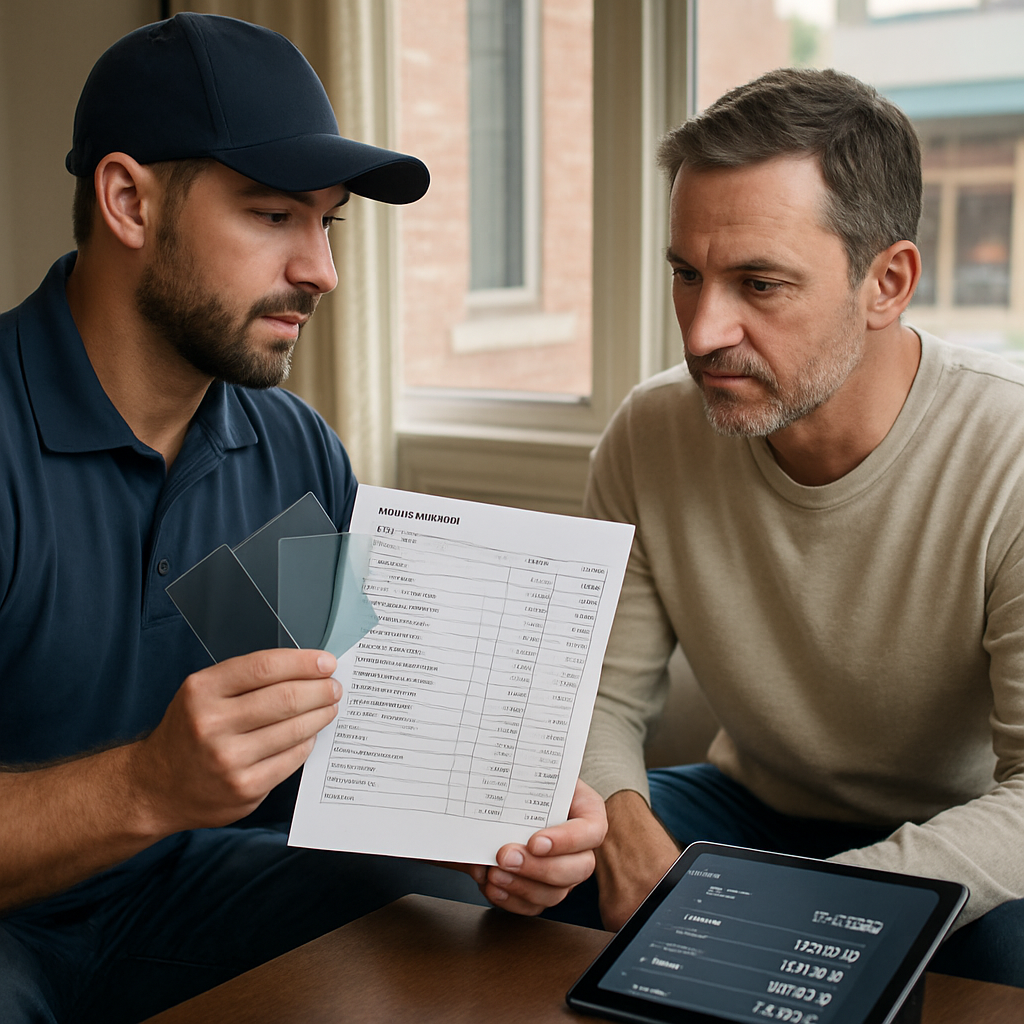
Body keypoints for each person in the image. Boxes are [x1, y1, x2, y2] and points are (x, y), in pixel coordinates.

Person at [0, 14, 604, 1022]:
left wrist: (476, 825)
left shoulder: (285, 451)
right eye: (274, 214)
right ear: (127, 201)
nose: (321, 269)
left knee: (466, 921)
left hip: (188, 896)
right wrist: (146, 786)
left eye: (328, 223)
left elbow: (334, 741)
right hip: (16, 922)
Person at [575, 67, 1024, 986]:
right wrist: (622, 830)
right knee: (531, 871)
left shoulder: (1010, 452)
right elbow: (603, 699)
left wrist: (797, 907)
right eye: (686, 275)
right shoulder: (650, 430)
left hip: (962, 836)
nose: (702, 332)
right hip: (746, 808)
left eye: (760, 283)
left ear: (886, 282)